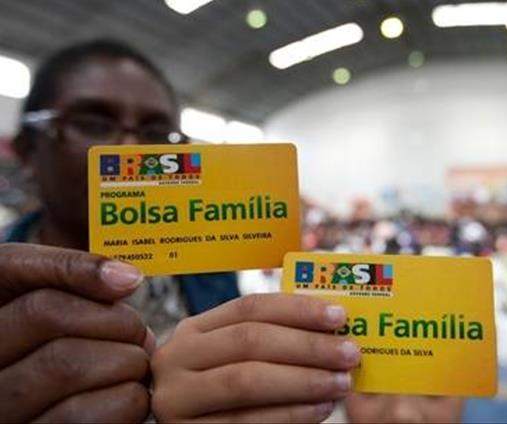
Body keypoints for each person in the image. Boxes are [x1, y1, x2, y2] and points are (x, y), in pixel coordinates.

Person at [1, 39, 462, 422]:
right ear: (25, 151)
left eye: (157, 132)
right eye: (92, 123)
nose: (131, 148)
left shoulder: (214, 273)